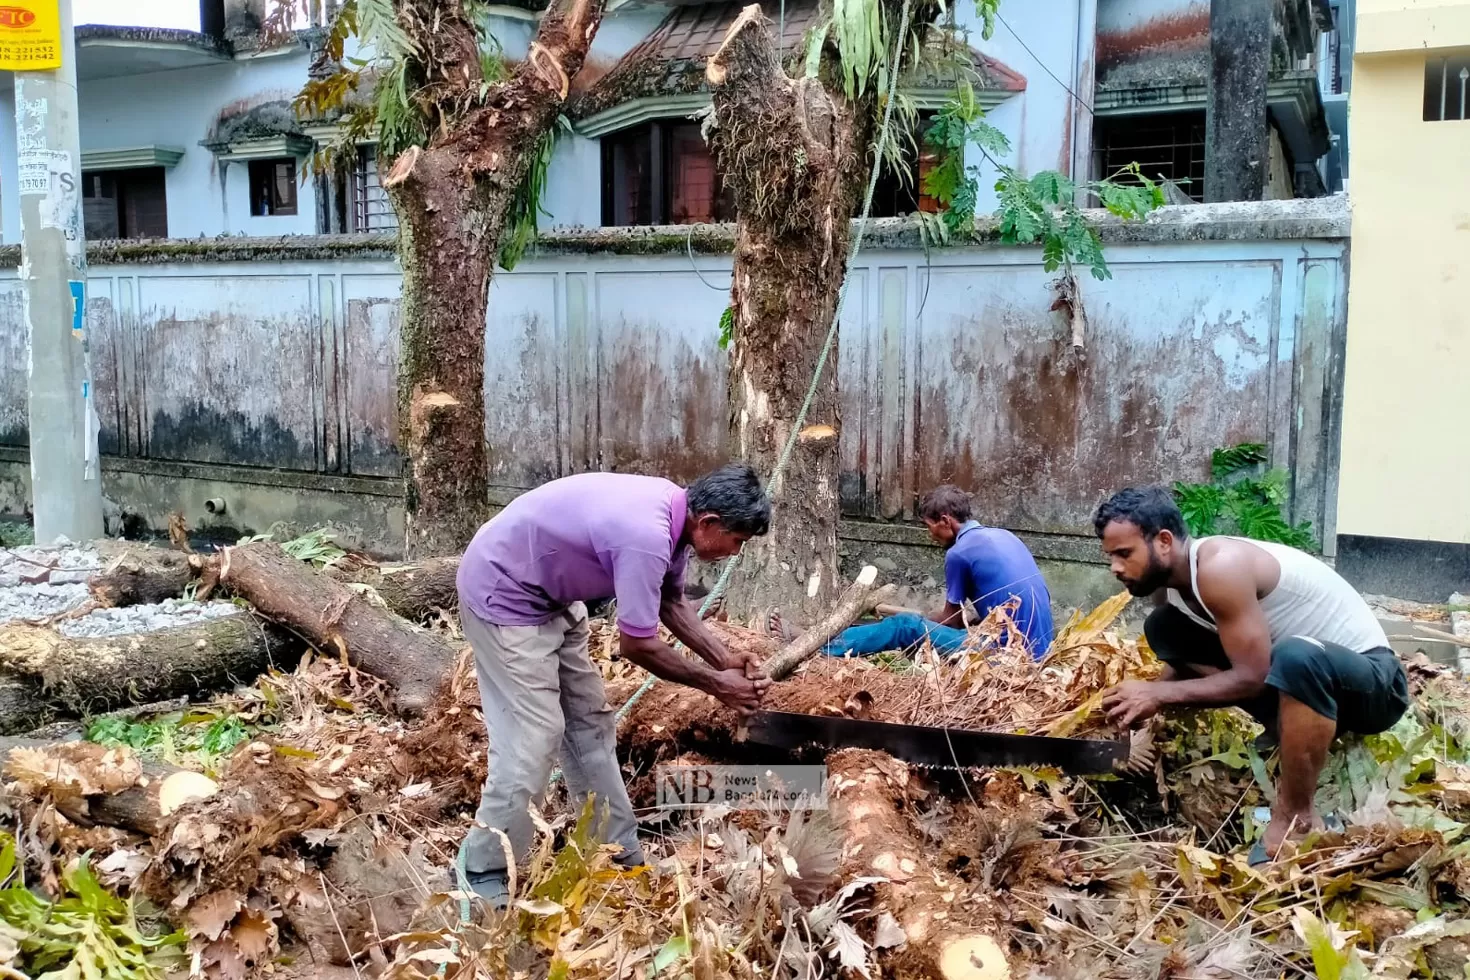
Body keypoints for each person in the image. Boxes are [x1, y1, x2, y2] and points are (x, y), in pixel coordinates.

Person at [455, 463, 774, 906]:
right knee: (533, 740)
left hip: (554, 598)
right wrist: (717, 685)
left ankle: (615, 851)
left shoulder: (676, 518)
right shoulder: (645, 534)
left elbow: (669, 601)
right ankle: (483, 869)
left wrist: (724, 658)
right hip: (504, 595)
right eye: (736, 541)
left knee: (590, 725)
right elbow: (638, 646)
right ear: (709, 523)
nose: (735, 552)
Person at [1093, 486, 1408, 863]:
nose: (1115, 567)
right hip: (1309, 679)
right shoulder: (1169, 587)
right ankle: (1288, 728)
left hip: (1376, 684)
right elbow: (1180, 663)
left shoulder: (1219, 567)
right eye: (1110, 556)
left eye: (1124, 554)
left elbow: (1254, 676)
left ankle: (1297, 817)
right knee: (1164, 627)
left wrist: (1156, 695)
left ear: (1163, 542)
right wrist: (1145, 712)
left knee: (1296, 656)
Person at [772, 485, 1054, 660]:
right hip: (1040, 649)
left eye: (929, 526)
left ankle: (817, 648)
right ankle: (827, 638)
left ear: (945, 521)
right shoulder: (1004, 536)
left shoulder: (959, 552)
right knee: (912, 628)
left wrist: (922, 625)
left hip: (1007, 655)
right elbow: (1006, 601)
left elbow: (952, 620)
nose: (929, 535)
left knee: (904, 627)